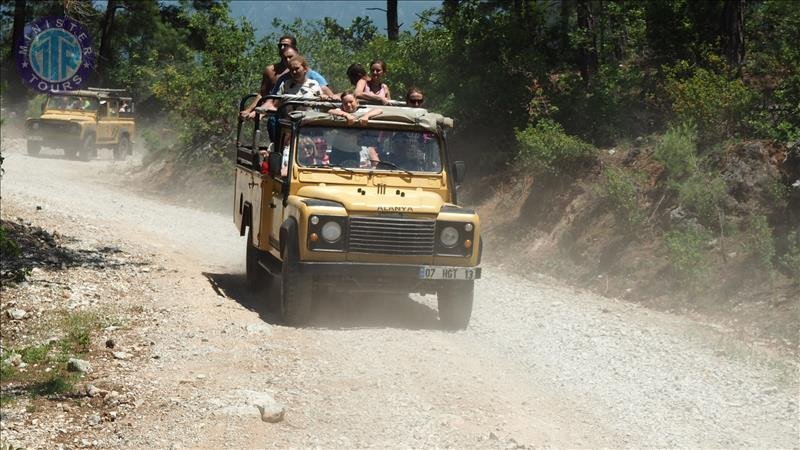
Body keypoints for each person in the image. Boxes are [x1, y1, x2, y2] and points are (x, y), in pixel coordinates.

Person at [240, 35, 297, 119]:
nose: (282, 48)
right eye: (280, 45)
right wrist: (249, 110)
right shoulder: (270, 70)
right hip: (272, 113)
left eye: (286, 45)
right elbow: (263, 94)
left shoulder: (299, 71)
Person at [269, 47, 337, 100]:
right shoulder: (285, 84)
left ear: (305, 69)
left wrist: (324, 97)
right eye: (291, 70)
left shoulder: (314, 83)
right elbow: (275, 102)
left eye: (297, 69)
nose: (294, 72)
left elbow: (324, 97)